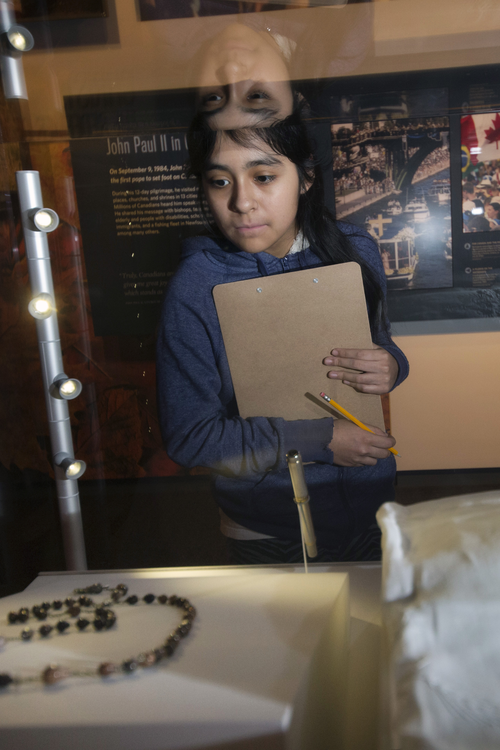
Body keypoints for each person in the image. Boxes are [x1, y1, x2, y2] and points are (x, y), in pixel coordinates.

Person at [156, 112, 409, 564]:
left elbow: (382, 343)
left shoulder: (354, 249)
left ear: (305, 177)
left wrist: (391, 365)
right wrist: (318, 440)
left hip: (373, 505)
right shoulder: (196, 284)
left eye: (264, 176)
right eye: (219, 181)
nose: (241, 202)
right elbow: (190, 436)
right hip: (266, 524)